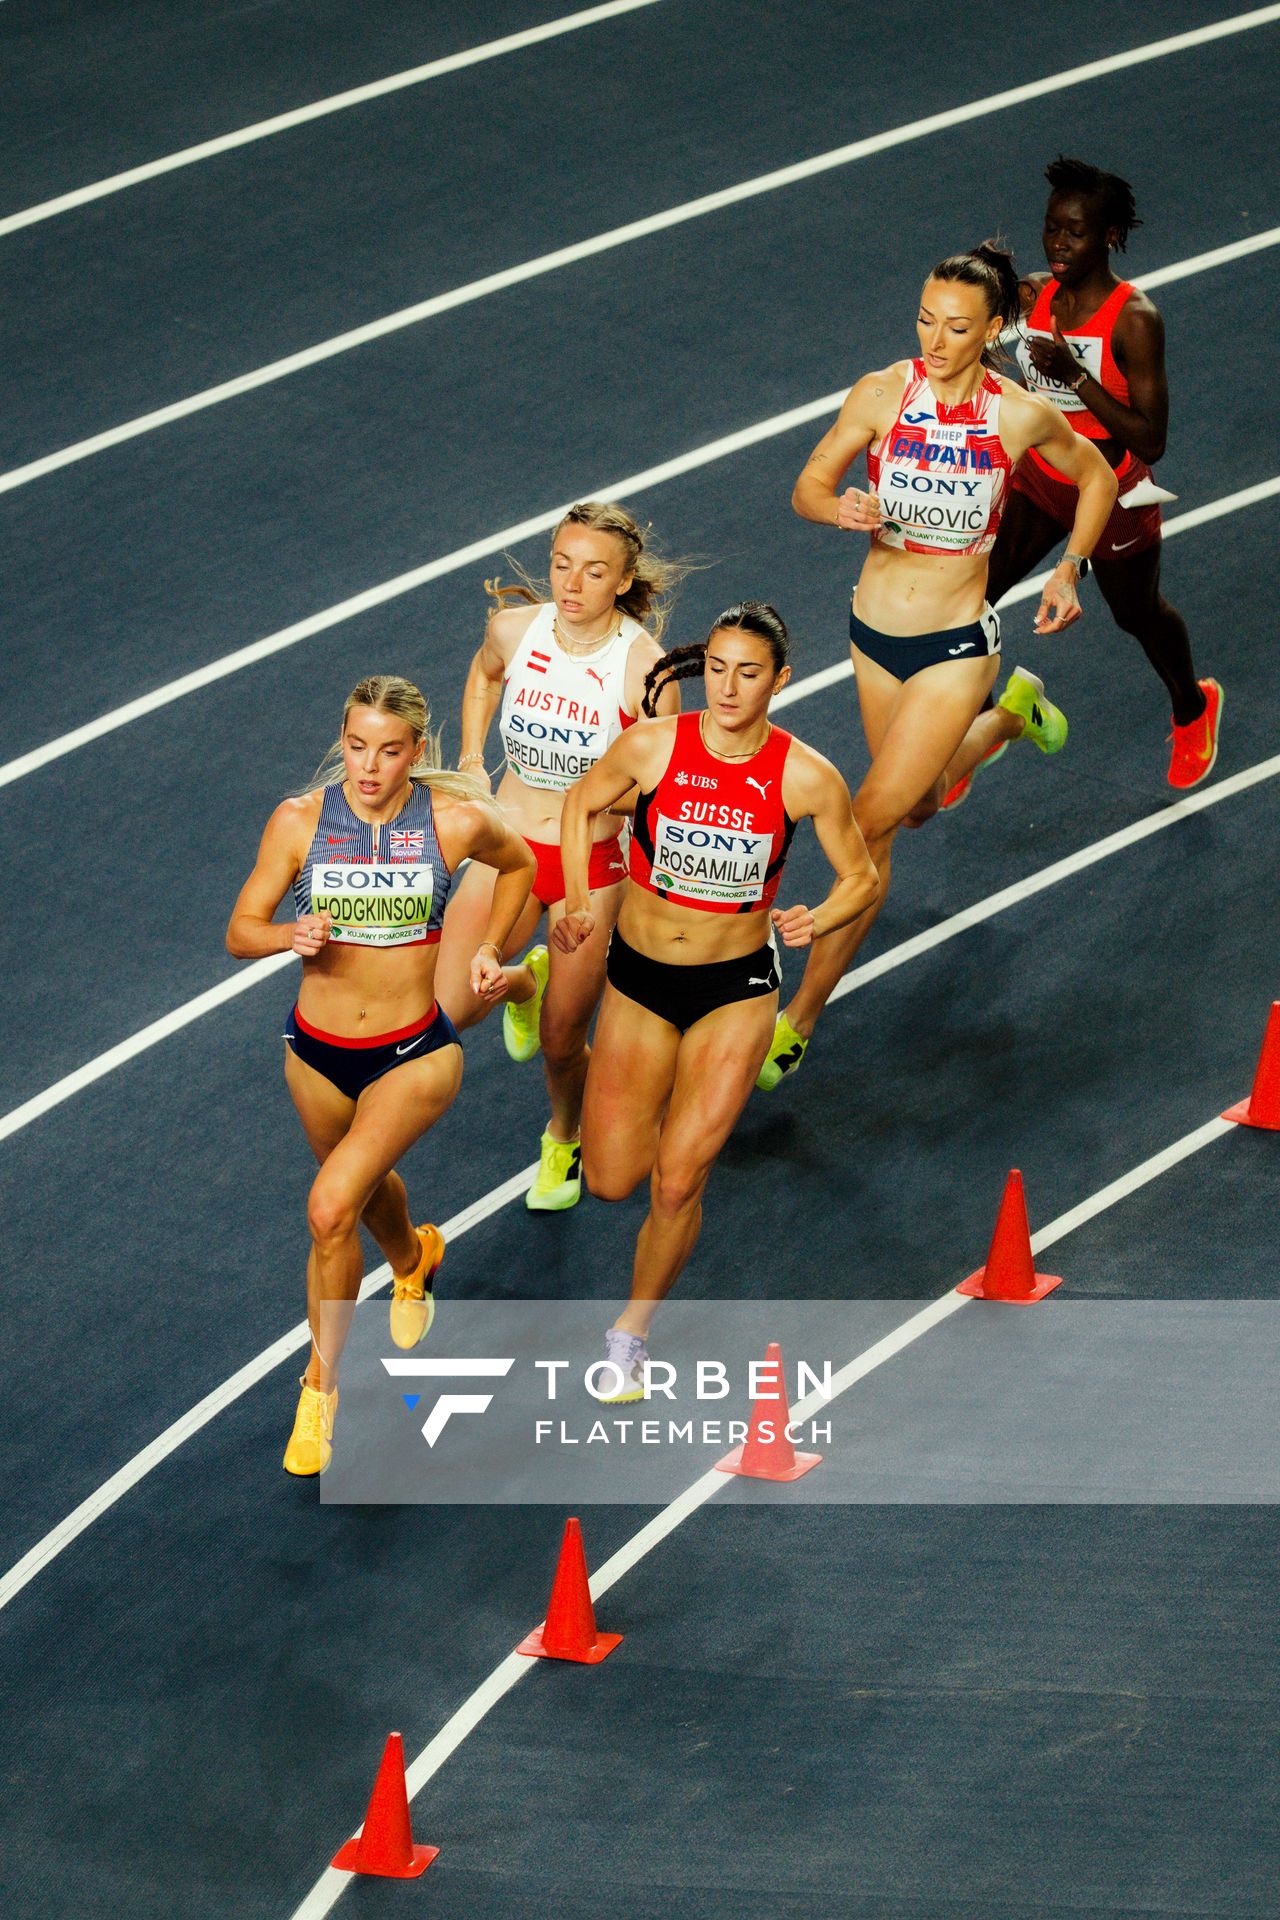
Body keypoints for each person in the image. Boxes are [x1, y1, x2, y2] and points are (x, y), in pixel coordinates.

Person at [755, 242, 1118, 1092]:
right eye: (925, 319)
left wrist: (1072, 567)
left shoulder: (1017, 414)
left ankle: (797, 1017)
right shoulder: (883, 393)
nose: (936, 338)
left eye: (957, 327)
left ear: (993, 328)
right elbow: (806, 486)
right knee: (916, 808)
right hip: (873, 635)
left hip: (957, 644)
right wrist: (838, 506)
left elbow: (1097, 477)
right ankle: (1010, 718)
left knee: (870, 823)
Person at [553, 602, 880, 1397]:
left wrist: (820, 916)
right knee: (610, 1179)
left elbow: (862, 877)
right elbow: (579, 805)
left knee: (677, 1181)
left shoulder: (805, 774)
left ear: (781, 680)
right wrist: (574, 900)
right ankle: (657, 1104)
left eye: (750, 672)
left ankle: (630, 1335)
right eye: (720, 669)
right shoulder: (653, 747)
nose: (729, 687)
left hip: (735, 992)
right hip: (638, 978)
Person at [226, 674, 534, 1475]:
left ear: (416, 753)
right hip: (315, 1051)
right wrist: (288, 935)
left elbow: (523, 865)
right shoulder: (299, 823)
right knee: (360, 1189)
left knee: (330, 1208)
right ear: (343, 739)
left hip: (414, 1053)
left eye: (388, 751)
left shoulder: (454, 820)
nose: (368, 766)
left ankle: (321, 1387)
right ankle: (413, 1260)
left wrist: (491, 947)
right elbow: (240, 930)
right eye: (357, 746)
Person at [939, 155, 1222, 810]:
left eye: (1076, 232)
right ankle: (982, 726)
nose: (1060, 244)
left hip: (1117, 489)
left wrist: (1075, 377)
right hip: (1044, 477)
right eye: (1051, 229)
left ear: (1110, 238)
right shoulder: (1036, 296)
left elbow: (1151, 439)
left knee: (1137, 614)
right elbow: (975, 331)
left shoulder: (1134, 320)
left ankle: (1192, 704)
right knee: (966, 595)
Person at [433, 502, 683, 1212]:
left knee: (562, 1041)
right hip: (507, 847)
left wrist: (602, 802)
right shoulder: (514, 630)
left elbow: (667, 780)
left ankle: (563, 1137)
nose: (572, 583)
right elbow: (484, 675)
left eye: (594, 570)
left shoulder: (646, 668)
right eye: (562, 564)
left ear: (623, 579)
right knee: (454, 1010)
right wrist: (473, 759)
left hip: (592, 866)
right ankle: (521, 982)